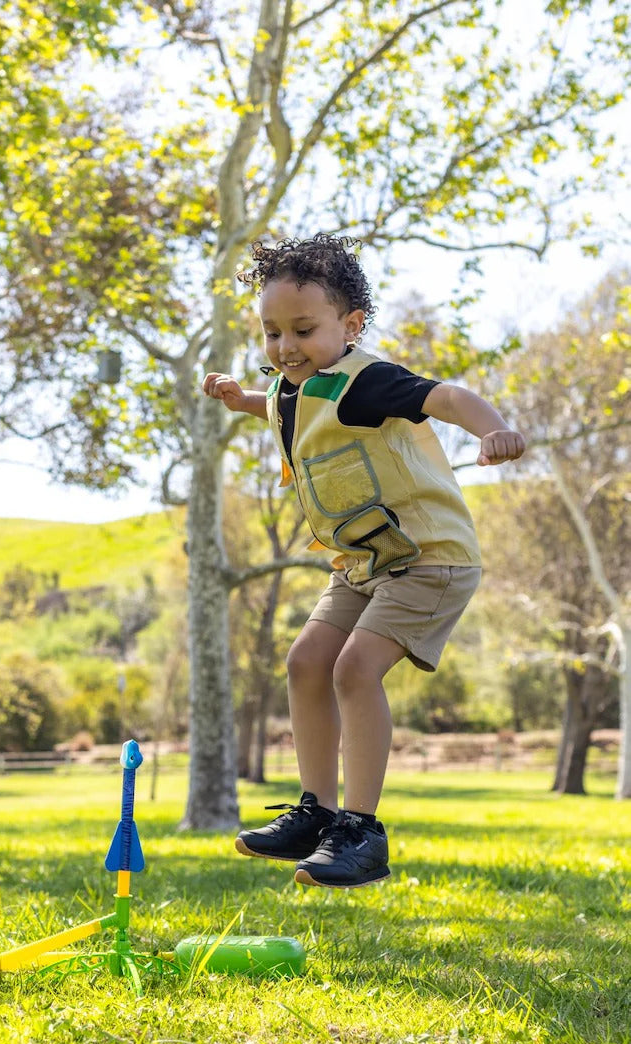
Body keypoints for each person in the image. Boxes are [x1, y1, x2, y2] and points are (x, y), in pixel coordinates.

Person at [202, 233, 525, 888]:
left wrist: (492, 426)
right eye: (271, 332)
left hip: (430, 559)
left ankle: (362, 832)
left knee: (353, 670)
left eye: (303, 330)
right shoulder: (293, 390)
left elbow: (447, 398)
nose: (285, 347)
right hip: (364, 563)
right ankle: (317, 813)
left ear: (350, 326)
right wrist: (244, 401)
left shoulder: (369, 381)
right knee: (306, 662)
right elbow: (291, 408)